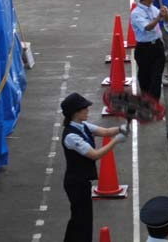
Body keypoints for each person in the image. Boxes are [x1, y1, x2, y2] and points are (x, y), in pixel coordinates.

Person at [61, 93, 128, 242]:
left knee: (81, 218)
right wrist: (116, 141)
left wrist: (121, 128)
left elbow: (104, 132)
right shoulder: (71, 136)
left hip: (82, 181)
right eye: (84, 109)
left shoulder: (82, 126)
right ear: (75, 112)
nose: (88, 110)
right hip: (76, 183)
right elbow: (95, 154)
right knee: (81, 220)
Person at [131, 0, 168, 100]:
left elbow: (163, 19)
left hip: (157, 46)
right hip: (144, 48)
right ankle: (146, 99)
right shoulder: (136, 13)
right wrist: (159, 17)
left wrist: (165, 14)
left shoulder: (153, 9)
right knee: (145, 76)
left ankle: (154, 102)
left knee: (157, 76)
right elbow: (148, 27)